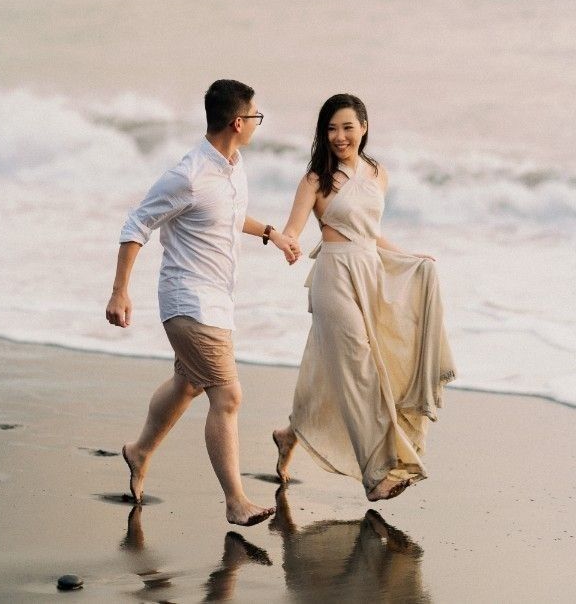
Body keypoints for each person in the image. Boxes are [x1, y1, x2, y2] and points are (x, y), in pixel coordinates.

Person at [106, 79, 300, 527]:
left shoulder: (234, 166)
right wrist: (120, 291)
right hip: (188, 300)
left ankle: (138, 452)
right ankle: (235, 501)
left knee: (189, 384)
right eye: (255, 117)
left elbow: (228, 216)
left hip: (217, 302)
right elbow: (137, 223)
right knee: (228, 396)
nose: (256, 124)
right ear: (237, 121)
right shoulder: (188, 175)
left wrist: (272, 235)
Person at [272, 93, 455, 502]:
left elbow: (371, 234)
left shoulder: (377, 173)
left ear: (364, 128)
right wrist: (285, 242)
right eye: (331, 128)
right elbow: (294, 228)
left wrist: (409, 257)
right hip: (334, 276)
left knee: (336, 374)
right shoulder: (316, 179)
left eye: (347, 127)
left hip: (369, 273)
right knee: (359, 368)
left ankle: (290, 434)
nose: (339, 136)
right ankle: (377, 474)